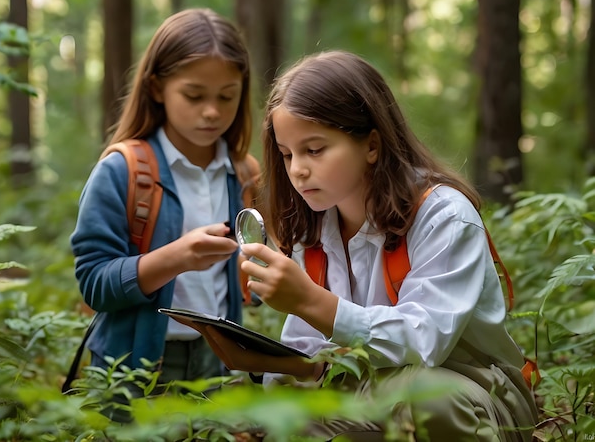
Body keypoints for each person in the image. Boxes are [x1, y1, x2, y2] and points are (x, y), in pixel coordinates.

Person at [193, 50, 538, 441]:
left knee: (425, 396)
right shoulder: (316, 229)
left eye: (315, 149)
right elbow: (311, 360)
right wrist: (268, 364)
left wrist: (309, 300)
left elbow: (425, 343)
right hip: (369, 389)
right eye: (287, 155)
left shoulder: (442, 216)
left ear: (371, 145)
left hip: (476, 392)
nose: (297, 169)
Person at [70, 8, 256, 390]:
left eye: (227, 96)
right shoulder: (122, 171)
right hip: (133, 368)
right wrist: (177, 257)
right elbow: (93, 283)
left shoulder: (244, 174)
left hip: (220, 362)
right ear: (157, 88)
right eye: (194, 95)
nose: (212, 111)